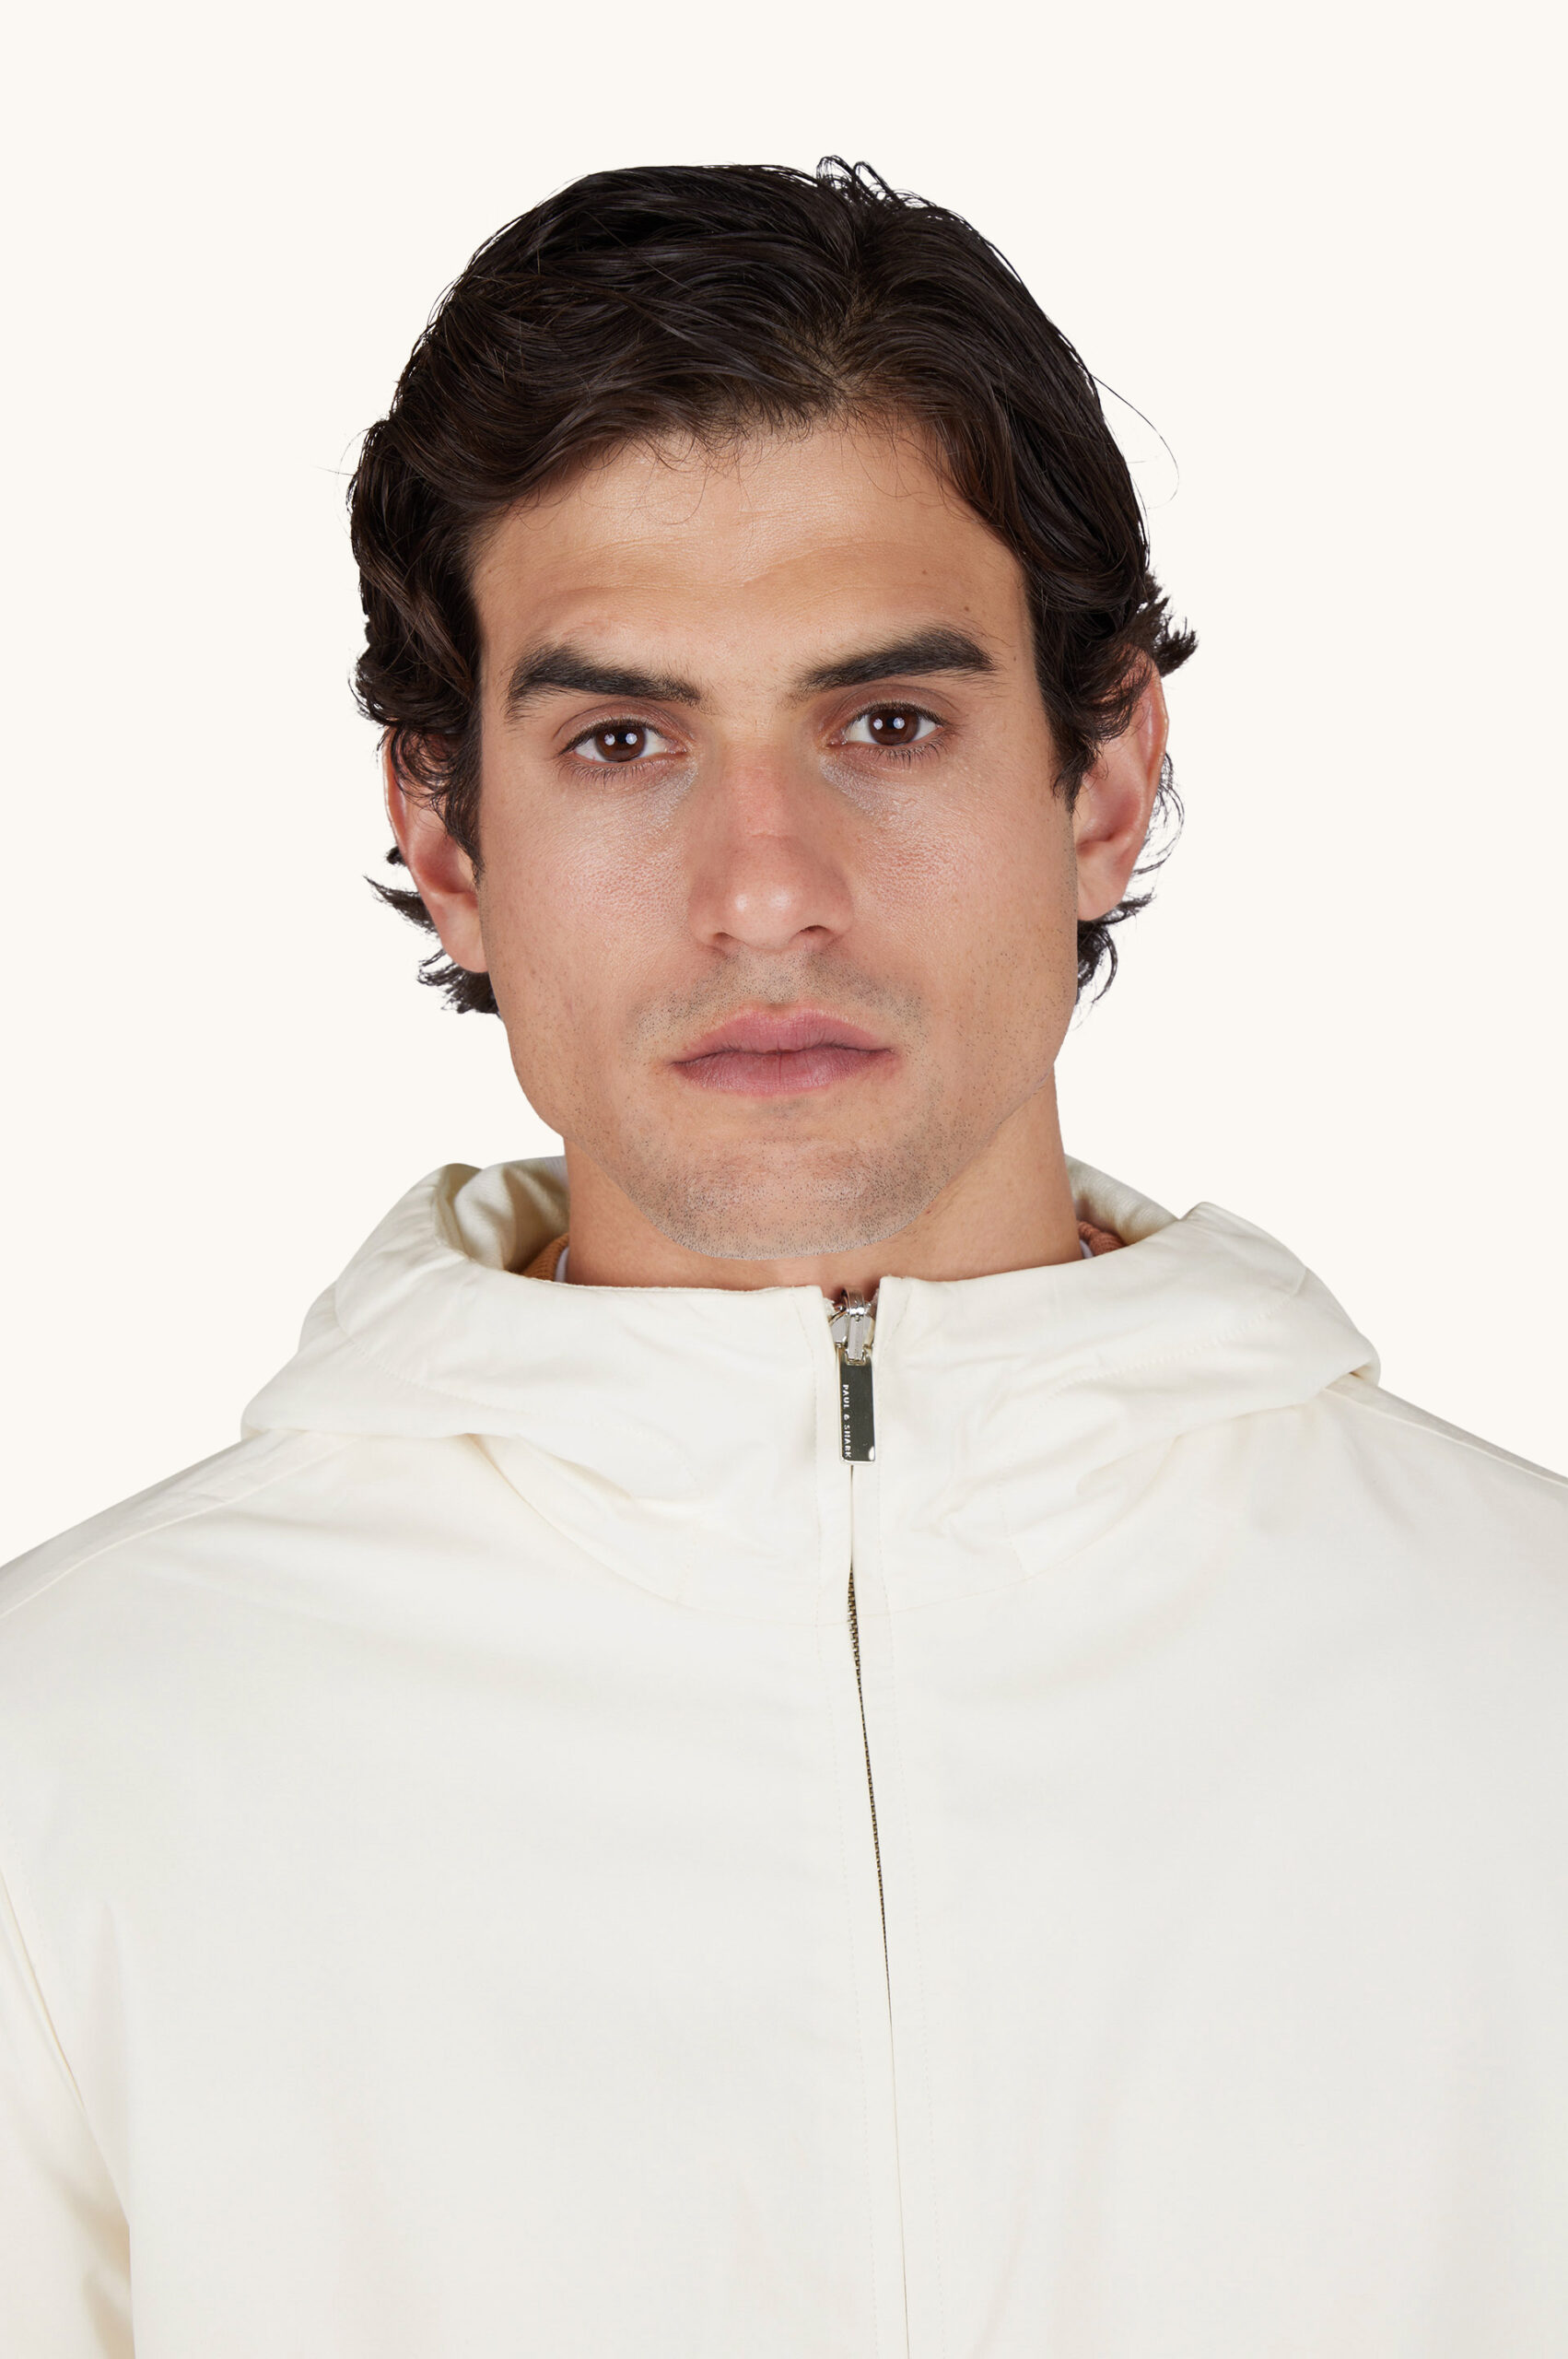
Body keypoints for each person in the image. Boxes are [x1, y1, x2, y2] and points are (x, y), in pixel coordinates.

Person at [1, 158, 1564, 2359]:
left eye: (885, 723)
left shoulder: (1524, 1690)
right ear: (445, 835)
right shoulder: (67, 1759)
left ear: (1102, 782)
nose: (763, 887)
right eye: (621, 739)